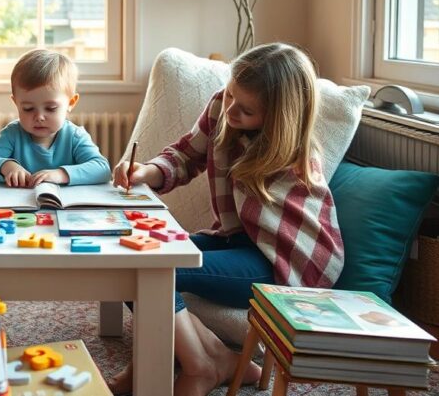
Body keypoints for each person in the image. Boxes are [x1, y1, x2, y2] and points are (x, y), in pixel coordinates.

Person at [109, 43, 345, 396]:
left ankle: (195, 367)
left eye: (246, 110)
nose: (230, 109)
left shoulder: (290, 152)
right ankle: (210, 358)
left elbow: (291, 236)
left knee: (157, 270)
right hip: (235, 240)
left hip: (280, 258)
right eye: (231, 95)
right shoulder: (224, 105)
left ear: (278, 116)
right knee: (128, 262)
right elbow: (187, 154)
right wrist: (148, 171)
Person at [0, 49, 111, 187]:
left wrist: (61, 174)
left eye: (51, 108)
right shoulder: (12, 134)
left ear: (71, 103)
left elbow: (102, 169)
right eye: (28, 108)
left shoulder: (74, 136)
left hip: (64, 206)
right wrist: (8, 166)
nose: (39, 117)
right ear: (16, 103)